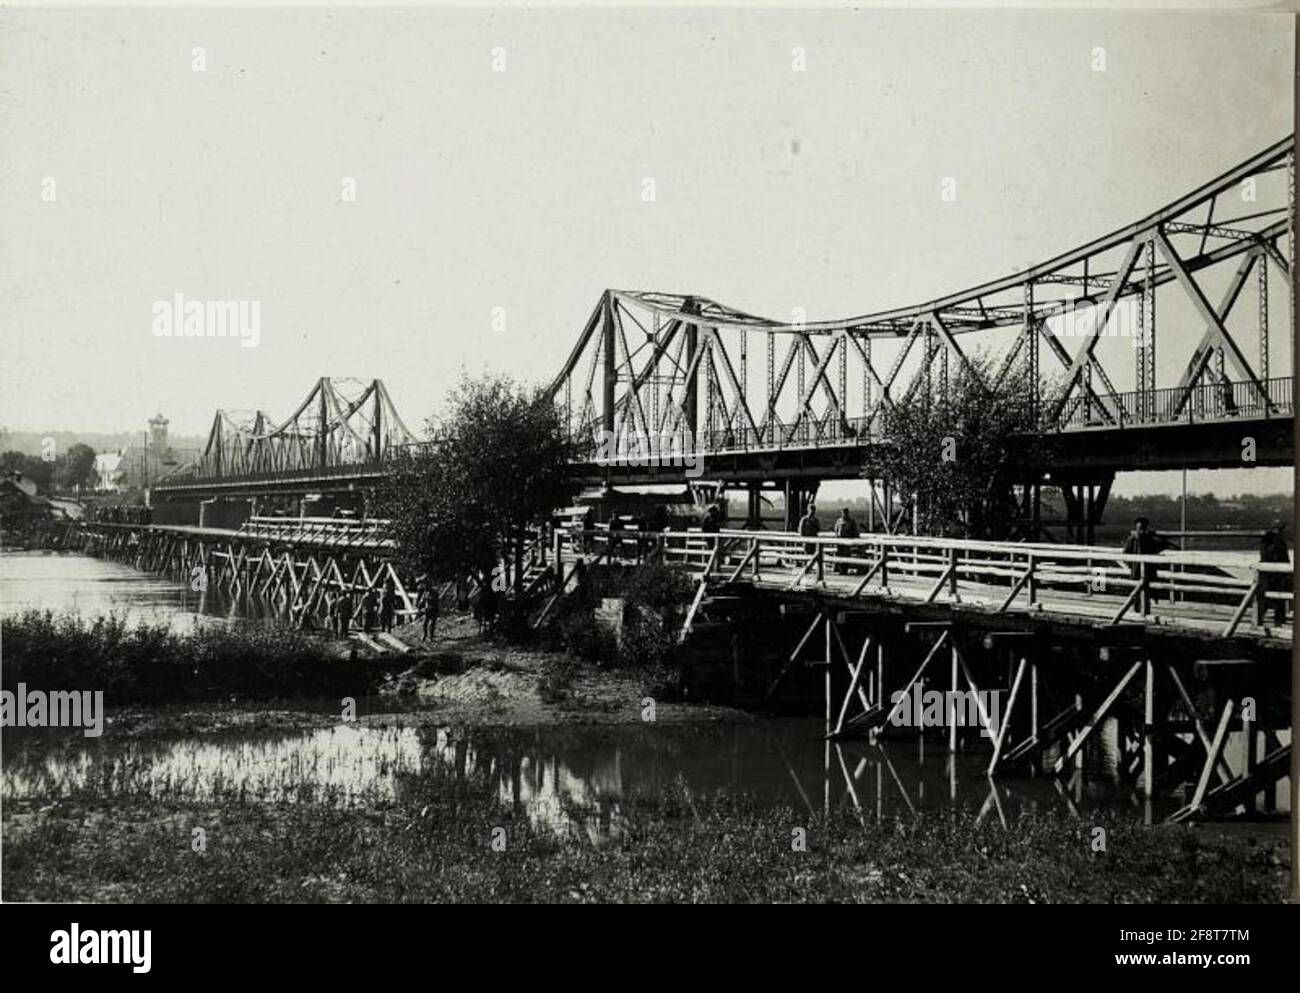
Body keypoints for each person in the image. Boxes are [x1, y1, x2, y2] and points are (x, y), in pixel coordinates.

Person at [1121, 517, 1174, 613]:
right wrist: (1131, 564)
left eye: (1143, 528)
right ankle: (1137, 611)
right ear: (1136, 528)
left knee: (1148, 591)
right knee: (1137, 591)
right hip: (1136, 570)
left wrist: (1165, 543)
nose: (1142, 530)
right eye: (1140, 528)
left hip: (1149, 570)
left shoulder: (1149, 539)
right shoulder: (1132, 539)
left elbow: (1157, 547)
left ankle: (1145, 611)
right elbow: (1125, 554)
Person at [1258, 520, 1290, 626]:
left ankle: (1260, 619)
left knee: (1265, 598)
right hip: (1276, 573)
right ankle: (1278, 620)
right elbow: (1284, 558)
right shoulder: (1278, 541)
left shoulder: (1265, 541)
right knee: (1277, 598)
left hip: (1268, 572)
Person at [798, 503, 823, 582]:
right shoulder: (804, 519)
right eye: (811, 510)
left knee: (813, 554)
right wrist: (803, 538)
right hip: (806, 540)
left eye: (813, 510)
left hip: (813, 539)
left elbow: (819, 529)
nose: (812, 511)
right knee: (806, 553)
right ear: (808, 510)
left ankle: (810, 568)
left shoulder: (816, 520)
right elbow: (801, 529)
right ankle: (805, 568)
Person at [833, 507, 860, 574]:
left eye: (846, 513)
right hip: (840, 541)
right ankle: (839, 569)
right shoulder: (839, 521)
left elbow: (855, 531)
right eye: (843, 513)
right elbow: (836, 530)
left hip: (847, 541)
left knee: (846, 555)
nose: (844, 514)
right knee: (839, 555)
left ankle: (844, 569)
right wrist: (837, 536)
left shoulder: (851, 521)